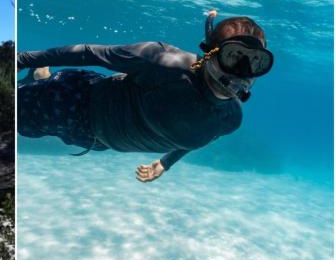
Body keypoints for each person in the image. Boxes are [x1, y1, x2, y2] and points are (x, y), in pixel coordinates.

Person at [18, 10, 273, 182]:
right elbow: (89, 53)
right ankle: (41, 77)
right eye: (234, 56)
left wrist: (165, 163)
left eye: (255, 62)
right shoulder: (162, 61)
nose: (242, 71)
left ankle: (42, 76)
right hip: (71, 102)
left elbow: (197, 135)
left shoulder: (230, 119)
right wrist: (21, 59)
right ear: (210, 53)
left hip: (96, 141)